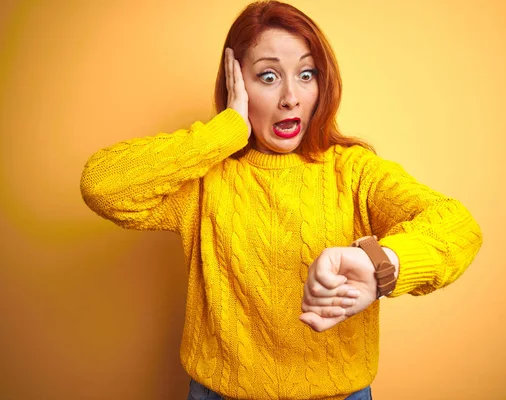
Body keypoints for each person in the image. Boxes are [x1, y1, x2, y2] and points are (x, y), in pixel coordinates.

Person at [79, 1, 483, 399]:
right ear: (236, 84)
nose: (291, 96)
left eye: (307, 74)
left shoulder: (356, 172)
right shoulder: (204, 181)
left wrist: (379, 265)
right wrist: (225, 132)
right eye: (268, 77)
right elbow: (102, 185)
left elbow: (458, 226)